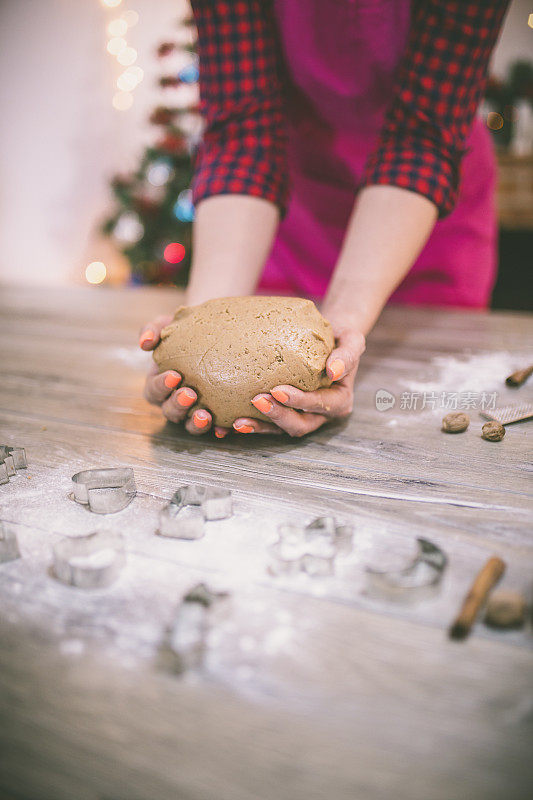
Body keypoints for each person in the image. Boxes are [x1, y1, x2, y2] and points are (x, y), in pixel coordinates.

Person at [140, 0, 509, 438]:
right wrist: (202, 324)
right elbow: (242, 130)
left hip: (422, 212)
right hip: (289, 204)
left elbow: (421, 136)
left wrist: (346, 322)